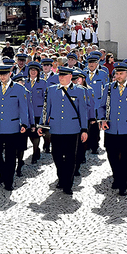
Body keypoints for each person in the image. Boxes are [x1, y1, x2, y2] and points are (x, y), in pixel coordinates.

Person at [38, 67, 88, 195]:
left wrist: (84, 129)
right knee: (56, 156)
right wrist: (42, 125)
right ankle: (61, 177)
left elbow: (83, 111)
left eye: (64, 76)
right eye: (60, 76)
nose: (61, 78)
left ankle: (68, 184)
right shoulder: (51, 90)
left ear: (70, 76)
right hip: (55, 129)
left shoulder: (79, 90)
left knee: (71, 157)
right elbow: (46, 109)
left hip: (72, 129)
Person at [98, 62, 127, 196]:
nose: (118, 76)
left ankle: (123, 184)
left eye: (121, 74)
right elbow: (101, 106)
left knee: (125, 158)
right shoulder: (109, 88)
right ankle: (116, 176)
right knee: (111, 156)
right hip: (111, 129)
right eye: (116, 74)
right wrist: (102, 119)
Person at [0, 66, 29, 191]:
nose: (2, 77)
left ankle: (9, 181)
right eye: (0, 75)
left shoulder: (19, 88)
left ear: (10, 74)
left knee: (10, 156)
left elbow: (23, 108)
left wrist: (24, 124)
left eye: (4, 74)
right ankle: (3, 173)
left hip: (12, 128)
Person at [83, 55, 108, 154]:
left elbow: (106, 89)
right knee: (86, 124)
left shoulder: (103, 74)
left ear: (97, 63)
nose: (91, 64)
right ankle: (87, 143)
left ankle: (95, 145)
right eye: (90, 62)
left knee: (95, 126)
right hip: (86, 104)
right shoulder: (83, 73)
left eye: (93, 62)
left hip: (97, 104)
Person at [25, 61, 48, 163]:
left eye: (35, 70)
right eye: (31, 70)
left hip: (38, 112)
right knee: (30, 133)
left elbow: (46, 98)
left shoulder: (43, 83)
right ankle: (37, 149)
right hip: (27, 113)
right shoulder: (24, 82)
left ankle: (35, 152)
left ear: (38, 72)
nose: (33, 72)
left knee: (36, 134)